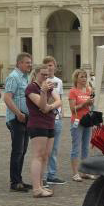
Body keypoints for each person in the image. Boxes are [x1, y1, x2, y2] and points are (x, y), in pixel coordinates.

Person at [24, 63, 60, 198]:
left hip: (50, 123)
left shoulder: (48, 85)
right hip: (37, 124)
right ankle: (36, 188)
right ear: (36, 74)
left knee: (45, 155)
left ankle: (40, 184)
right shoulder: (31, 88)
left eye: (47, 74)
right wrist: (44, 93)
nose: (45, 76)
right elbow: (42, 106)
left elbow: (59, 101)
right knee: (38, 155)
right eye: (43, 74)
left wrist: (49, 105)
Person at [3, 53, 32, 192]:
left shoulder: (25, 78)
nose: (29, 65)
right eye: (27, 62)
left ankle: (19, 179)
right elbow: (7, 98)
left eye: (30, 63)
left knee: (23, 150)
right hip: (16, 119)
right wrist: (18, 113)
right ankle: (14, 182)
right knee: (17, 151)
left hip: (25, 118)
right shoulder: (13, 77)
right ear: (19, 63)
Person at [67, 69, 95, 181]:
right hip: (77, 122)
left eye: (85, 76)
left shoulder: (89, 90)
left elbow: (91, 107)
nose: (84, 79)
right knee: (76, 147)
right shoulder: (73, 91)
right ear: (76, 78)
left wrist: (91, 104)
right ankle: (75, 173)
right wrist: (85, 103)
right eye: (82, 77)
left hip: (87, 121)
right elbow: (72, 109)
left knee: (85, 147)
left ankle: (84, 172)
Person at [41, 56, 66, 186]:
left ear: (55, 67)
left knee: (55, 149)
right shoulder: (41, 80)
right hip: (46, 117)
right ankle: (43, 176)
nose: (49, 67)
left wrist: (62, 112)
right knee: (46, 149)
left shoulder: (59, 81)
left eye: (51, 65)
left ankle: (52, 174)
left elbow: (60, 98)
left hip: (57, 118)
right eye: (46, 65)